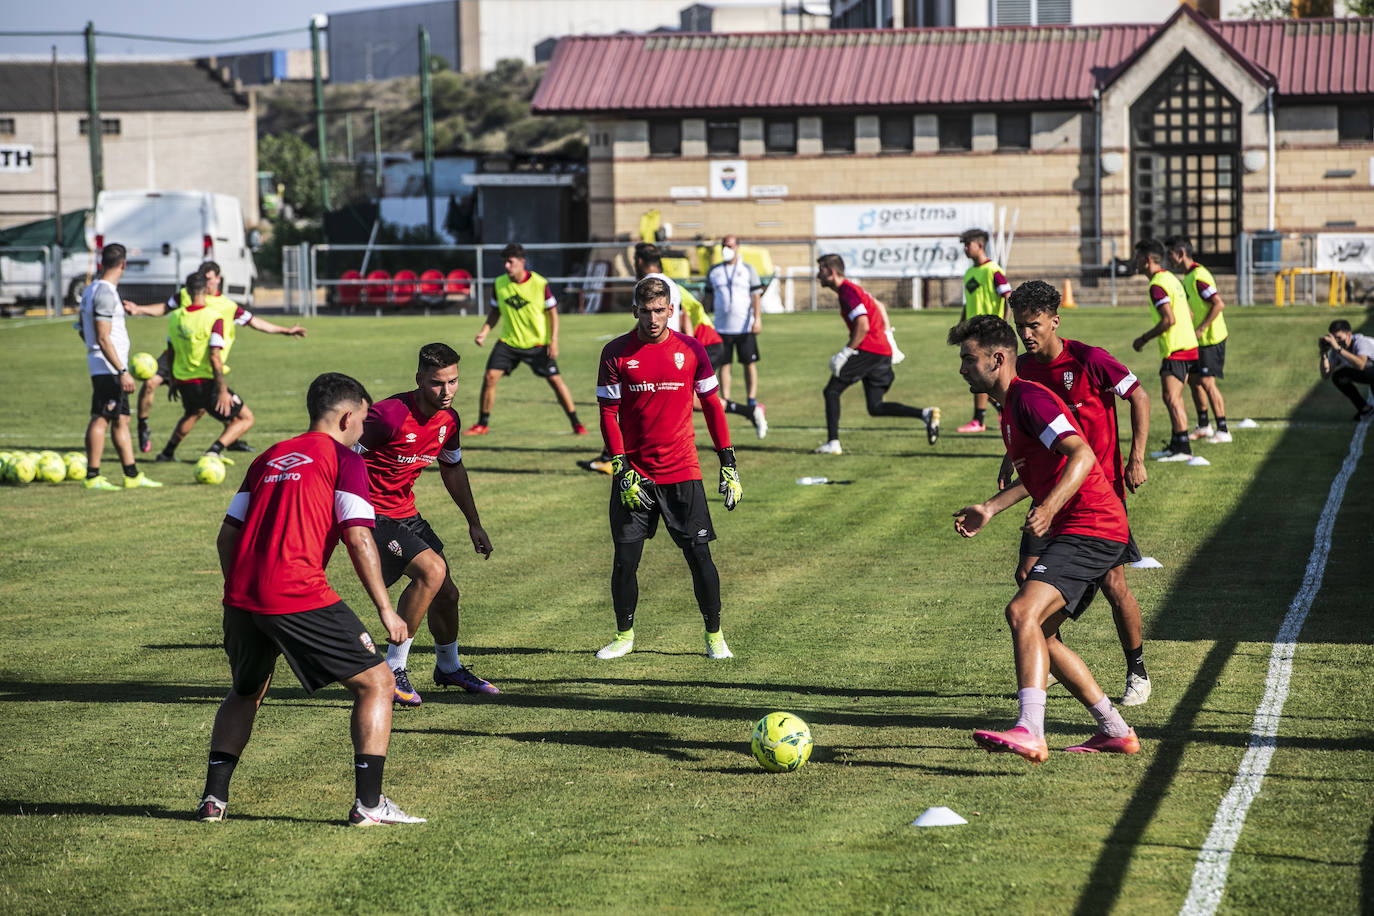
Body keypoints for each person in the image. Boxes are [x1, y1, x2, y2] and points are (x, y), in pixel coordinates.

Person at [199, 371, 424, 826]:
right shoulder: (345, 461)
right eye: (363, 418)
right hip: (297, 590)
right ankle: (369, 805)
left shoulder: (268, 456)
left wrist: (239, 589)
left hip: (241, 596)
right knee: (377, 682)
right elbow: (359, 538)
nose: (364, 428)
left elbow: (227, 536)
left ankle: (213, 801)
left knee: (246, 690)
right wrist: (385, 608)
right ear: (346, 417)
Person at [950, 315, 1139, 761]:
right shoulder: (1012, 406)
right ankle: (1115, 730)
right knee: (1043, 637)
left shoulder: (1029, 398)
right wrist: (991, 508)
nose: (961, 368)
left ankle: (1031, 730)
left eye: (968, 358)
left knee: (1021, 612)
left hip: (1092, 525)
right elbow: (1042, 472)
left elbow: (1082, 453)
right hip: (1082, 526)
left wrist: (1050, 508)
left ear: (997, 359)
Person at [1008, 280, 1153, 706]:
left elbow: (1139, 396)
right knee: (1026, 578)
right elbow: (1023, 423)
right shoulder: (1022, 368)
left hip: (1098, 497)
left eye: (1034, 325)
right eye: (1020, 327)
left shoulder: (1089, 360)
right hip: (1050, 492)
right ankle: (1048, 659)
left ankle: (1138, 671)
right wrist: (1009, 461)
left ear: (1055, 321)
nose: (1027, 335)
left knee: (1113, 584)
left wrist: (1137, 456)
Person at [593, 275, 743, 660]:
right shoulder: (615, 353)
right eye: (646, 311)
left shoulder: (692, 350)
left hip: (682, 471)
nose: (654, 318)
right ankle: (624, 636)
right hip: (635, 476)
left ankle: (715, 636)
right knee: (625, 561)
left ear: (671, 310)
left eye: (660, 310)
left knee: (699, 557)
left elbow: (712, 407)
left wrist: (728, 462)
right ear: (635, 311)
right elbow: (609, 414)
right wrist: (620, 466)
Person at [355, 343, 496, 706]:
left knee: (447, 594)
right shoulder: (386, 416)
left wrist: (474, 523)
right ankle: (392, 670)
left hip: (405, 513)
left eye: (453, 382)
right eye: (437, 383)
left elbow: (452, 468)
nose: (446, 391)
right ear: (419, 379)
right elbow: (340, 458)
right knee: (431, 572)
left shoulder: (449, 421)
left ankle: (448, 668)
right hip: (370, 515)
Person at [577, 244, 763, 475]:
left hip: (678, 349)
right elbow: (682, 314)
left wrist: (678, 347)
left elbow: (673, 319)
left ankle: (619, 459)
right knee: (670, 401)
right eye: (646, 311)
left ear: (640, 262)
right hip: (681, 346)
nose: (651, 316)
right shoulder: (668, 283)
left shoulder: (649, 286)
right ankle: (613, 457)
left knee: (658, 401)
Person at [125, 261, 305, 454]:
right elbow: (164, 308)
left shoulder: (227, 306)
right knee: (151, 383)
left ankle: (184, 449)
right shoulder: (188, 294)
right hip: (178, 356)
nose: (205, 282)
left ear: (218, 279)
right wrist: (139, 310)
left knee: (198, 409)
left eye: (209, 278)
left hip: (205, 364)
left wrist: (285, 331)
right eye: (203, 278)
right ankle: (144, 425)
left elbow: (255, 322)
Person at [813, 253, 939, 455]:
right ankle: (925, 414)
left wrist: (846, 353)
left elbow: (862, 325)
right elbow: (879, 306)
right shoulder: (853, 289)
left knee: (832, 391)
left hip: (869, 349)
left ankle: (833, 443)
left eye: (821, 270)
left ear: (832, 272)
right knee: (876, 406)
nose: (817, 275)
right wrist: (889, 338)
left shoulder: (847, 291)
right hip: (881, 351)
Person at [467, 243, 586, 436]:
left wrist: (553, 340)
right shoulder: (500, 284)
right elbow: (495, 312)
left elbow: (553, 313)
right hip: (509, 342)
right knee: (490, 377)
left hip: (537, 344)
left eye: (510, 261)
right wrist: (484, 331)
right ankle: (482, 424)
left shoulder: (539, 284)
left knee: (556, 381)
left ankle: (576, 423)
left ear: (522, 262)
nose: (506, 266)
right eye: (504, 262)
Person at [77, 242, 162, 491]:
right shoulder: (104, 292)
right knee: (101, 418)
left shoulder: (91, 289)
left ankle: (132, 474)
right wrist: (121, 370)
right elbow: (103, 337)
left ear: (102, 262)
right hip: (109, 368)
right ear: (123, 264)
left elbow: (83, 331)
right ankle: (92, 476)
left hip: (106, 363)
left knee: (122, 419)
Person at [154, 273, 257, 463]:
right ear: (206, 290)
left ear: (187, 290)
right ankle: (214, 451)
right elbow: (214, 357)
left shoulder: (176, 317)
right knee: (246, 418)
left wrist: (174, 382)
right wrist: (222, 390)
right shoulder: (213, 318)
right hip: (207, 382)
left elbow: (171, 351)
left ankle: (167, 453)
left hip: (184, 381)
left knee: (194, 412)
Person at [1131, 239, 1200, 463]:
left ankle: (1183, 449)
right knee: (1171, 397)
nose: (1135, 262)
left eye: (1137, 257)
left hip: (1176, 348)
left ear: (1147, 260)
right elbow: (1188, 314)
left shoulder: (1157, 285)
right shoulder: (1171, 278)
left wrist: (1143, 338)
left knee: (1172, 398)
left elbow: (1168, 319)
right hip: (1186, 344)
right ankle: (1176, 445)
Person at [1166, 236, 1231, 444]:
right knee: (1194, 382)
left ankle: (1223, 429)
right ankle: (1204, 425)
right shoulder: (1188, 276)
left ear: (1181, 254)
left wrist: (1202, 328)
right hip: (1198, 341)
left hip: (1211, 338)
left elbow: (1218, 304)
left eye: (1170, 255)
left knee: (1206, 382)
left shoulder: (1199, 276)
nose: (1169, 260)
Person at [704, 235, 767, 432]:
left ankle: (751, 399)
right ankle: (727, 399)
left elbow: (755, 296)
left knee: (749, 363)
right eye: (723, 246)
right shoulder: (714, 271)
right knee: (725, 364)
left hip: (744, 326)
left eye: (729, 245)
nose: (726, 249)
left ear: (737, 247)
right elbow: (707, 297)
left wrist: (757, 318)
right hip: (721, 327)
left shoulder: (748, 269)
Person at [956, 228, 1012, 434]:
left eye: (967, 244)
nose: (964, 248)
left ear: (979, 245)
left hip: (989, 333)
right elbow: (968, 303)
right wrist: (961, 326)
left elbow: (1008, 297)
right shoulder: (970, 273)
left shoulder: (993, 271)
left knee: (979, 373)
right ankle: (1000, 409)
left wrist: (1003, 325)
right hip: (972, 333)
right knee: (978, 374)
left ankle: (980, 420)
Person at [1320, 319, 1374, 420]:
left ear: (1349, 335)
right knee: (1338, 377)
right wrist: (1324, 354)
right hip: (1370, 373)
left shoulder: (1361, 342)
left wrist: (1339, 349)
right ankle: (1365, 409)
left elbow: (1361, 364)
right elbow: (1326, 375)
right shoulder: (1336, 350)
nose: (1337, 342)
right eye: (1334, 339)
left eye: (1339, 338)